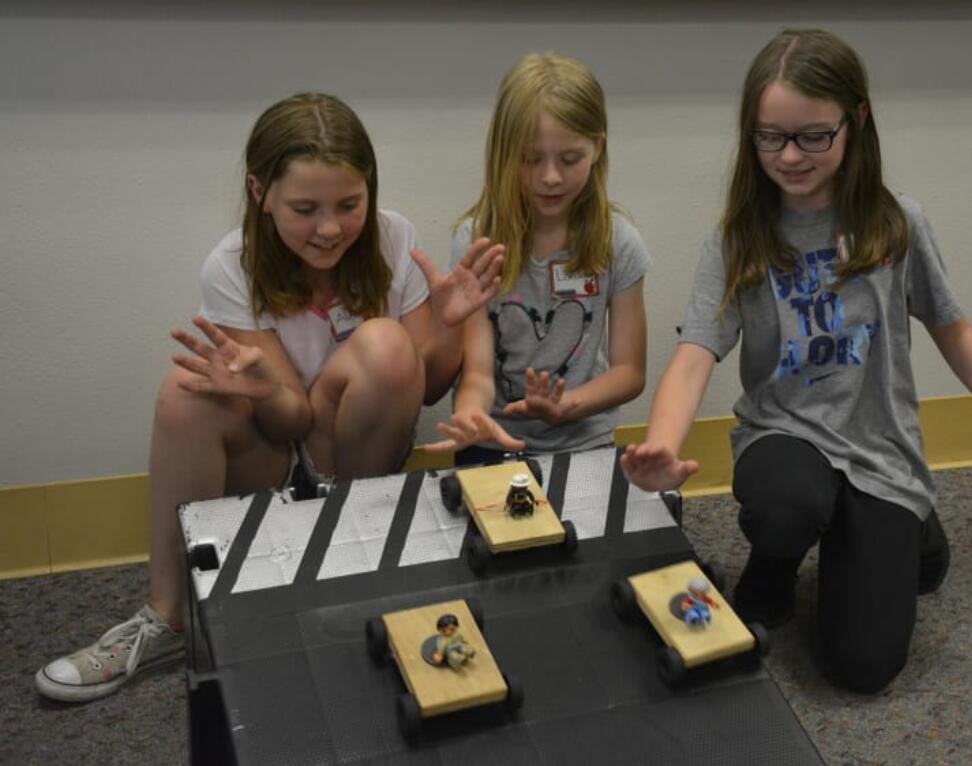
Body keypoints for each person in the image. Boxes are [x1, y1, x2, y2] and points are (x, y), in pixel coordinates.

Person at [620, 29, 972, 694]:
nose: (789, 155)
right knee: (784, 507)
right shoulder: (739, 237)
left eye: (811, 136)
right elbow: (694, 355)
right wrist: (662, 444)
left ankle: (914, 527)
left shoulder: (897, 223)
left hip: (880, 449)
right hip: (787, 437)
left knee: (865, 667)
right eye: (770, 136)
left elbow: (955, 332)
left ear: (855, 122)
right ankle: (774, 565)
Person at [35, 93, 503, 702]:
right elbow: (294, 419)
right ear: (260, 193)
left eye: (348, 204)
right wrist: (260, 392)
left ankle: (352, 557)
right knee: (184, 390)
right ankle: (169, 616)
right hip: (283, 447)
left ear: (370, 190)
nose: (330, 228)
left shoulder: (395, 240)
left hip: (357, 456)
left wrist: (446, 325)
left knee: (389, 345)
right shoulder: (231, 265)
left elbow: (427, 386)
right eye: (305, 209)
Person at [425, 53, 650, 464]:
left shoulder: (620, 243)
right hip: (492, 439)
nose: (550, 177)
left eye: (569, 159)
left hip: (584, 439)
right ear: (504, 152)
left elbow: (630, 372)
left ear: (597, 148)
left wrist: (571, 404)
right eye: (531, 159)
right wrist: (471, 412)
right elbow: (476, 366)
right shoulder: (477, 241)